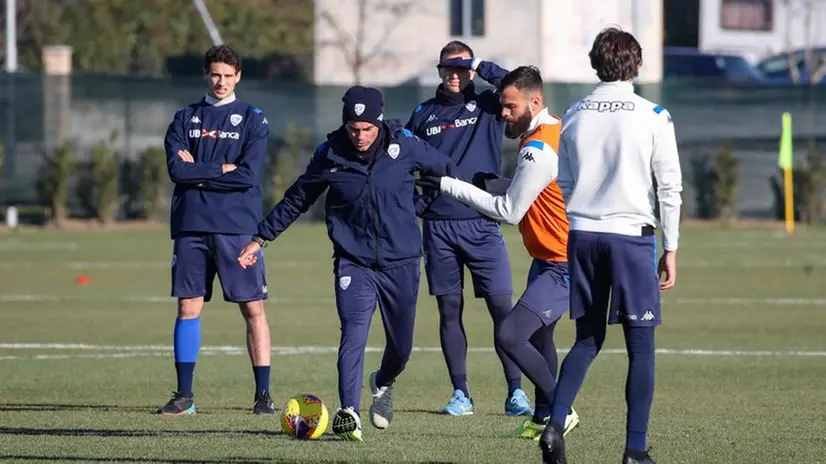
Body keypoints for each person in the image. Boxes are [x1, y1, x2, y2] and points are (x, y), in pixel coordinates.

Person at [237, 85, 455, 442]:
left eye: (367, 129)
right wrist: (261, 238)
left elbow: (444, 171)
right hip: (354, 262)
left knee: (401, 348)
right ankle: (349, 412)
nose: (360, 136)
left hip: (401, 261)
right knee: (353, 332)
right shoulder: (331, 153)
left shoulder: (405, 145)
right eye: (354, 128)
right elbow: (297, 199)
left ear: (379, 123)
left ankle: (383, 381)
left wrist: (416, 208)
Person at [539, 27, 682, 464]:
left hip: (581, 236)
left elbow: (562, 182)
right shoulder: (654, 114)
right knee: (641, 347)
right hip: (630, 239)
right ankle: (635, 450)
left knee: (586, 339)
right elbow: (669, 188)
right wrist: (670, 248)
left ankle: (554, 424)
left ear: (594, 64)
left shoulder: (576, 112)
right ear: (636, 65)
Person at [417, 65, 580, 440]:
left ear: (533, 101)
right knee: (541, 340)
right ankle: (543, 417)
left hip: (563, 263)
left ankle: (559, 407)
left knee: (509, 334)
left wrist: (449, 185)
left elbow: (509, 211)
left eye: (509, 107)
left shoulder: (537, 149)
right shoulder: (553, 126)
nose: (502, 113)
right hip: (546, 259)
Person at [405, 40, 531, 417]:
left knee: (501, 310)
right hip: (439, 228)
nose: (455, 75)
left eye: (461, 68)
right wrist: (414, 205)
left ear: (471, 70)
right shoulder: (423, 114)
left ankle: (516, 393)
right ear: (440, 70)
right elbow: (404, 163)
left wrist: (478, 64)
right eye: (448, 68)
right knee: (449, 310)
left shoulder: (491, 106)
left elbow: (516, 84)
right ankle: (461, 393)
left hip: (482, 223)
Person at [157, 44, 274, 416]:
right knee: (187, 306)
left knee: (252, 307)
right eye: (215, 74)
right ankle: (184, 397)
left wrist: (200, 173)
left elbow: (248, 175)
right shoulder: (184, 117)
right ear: (206, 75)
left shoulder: (253, 119)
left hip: (238, 228)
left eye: (228, 75)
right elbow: (177, 171)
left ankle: (263, 396)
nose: (221, 81)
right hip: (191, 225)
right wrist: (220, 170)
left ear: (238, 76)